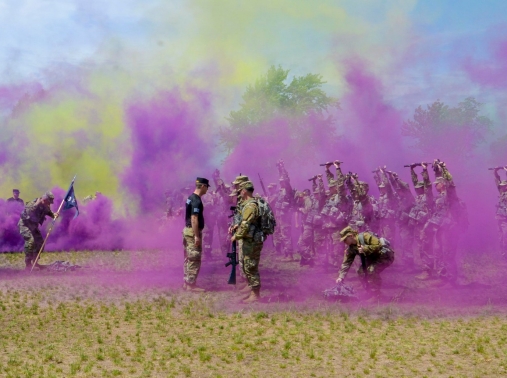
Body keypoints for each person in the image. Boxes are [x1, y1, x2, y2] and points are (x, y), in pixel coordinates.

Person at [336, 226, 394, 299]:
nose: (344, 242)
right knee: (361, 272)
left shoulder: (365, 236)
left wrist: (365, 248)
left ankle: (377, 295)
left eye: (345, 239)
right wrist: (341, 277)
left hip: (384, 256)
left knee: (371, 270)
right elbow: (346, 263)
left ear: (350, 236)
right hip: (372, 258)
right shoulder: (351, 248)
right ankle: (369, 292)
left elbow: (378, 245)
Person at [231, 181, 265, 303]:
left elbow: (245, 224)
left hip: (252, 241)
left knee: (250, 266)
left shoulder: (250, 206)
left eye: (240, 190)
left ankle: (255, 294)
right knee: (248, 265)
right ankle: (252, 291)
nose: (239, 193)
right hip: (250, 239)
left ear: (244, 191)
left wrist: (236, 236)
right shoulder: (249, 204)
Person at [18, 191, 60, 270]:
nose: (50, 204)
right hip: (25, 225)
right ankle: (28, 264)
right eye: (49, 201)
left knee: (40, 243)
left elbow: (51, 214)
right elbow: (28, 211)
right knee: (31, 241)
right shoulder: (33, 203)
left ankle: (35, 262)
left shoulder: (45, 206)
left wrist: (55, 215)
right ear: (44, 199)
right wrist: (37, 204)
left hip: (33, 226)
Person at [182, 177, 209, 292]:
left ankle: (187, 282)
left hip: (187, 230)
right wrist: (197, 235)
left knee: (188, 257)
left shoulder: (190, 197)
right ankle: (191, 284)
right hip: (192, 231)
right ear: (203, 186)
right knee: (194, 258)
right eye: (207, 187)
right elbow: (194, 218)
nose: (207, 190)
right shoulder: (196, 200)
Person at [494, 167, 507, 258]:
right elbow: (497, 180)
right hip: (500, 218)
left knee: (505, 237)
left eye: (504, 186)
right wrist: (496, 171)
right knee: (501, 237)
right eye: (501, 186)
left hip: (506, 219)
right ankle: (503, 253)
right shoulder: (501, 193)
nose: (502, 187)